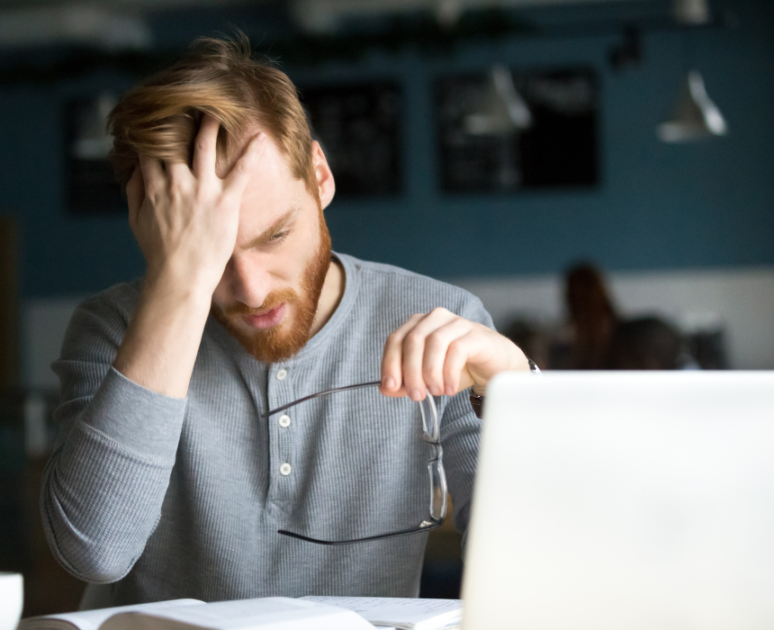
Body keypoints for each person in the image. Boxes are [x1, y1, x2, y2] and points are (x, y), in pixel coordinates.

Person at [41, 34, 532, 608]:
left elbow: (539, 568)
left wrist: (516, 390)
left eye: (275, 235)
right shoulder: (112, 328)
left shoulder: (443, 320)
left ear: (320, 176)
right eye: (212, 254)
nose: (251, 289)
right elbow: (95, 551)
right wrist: (179, 285)